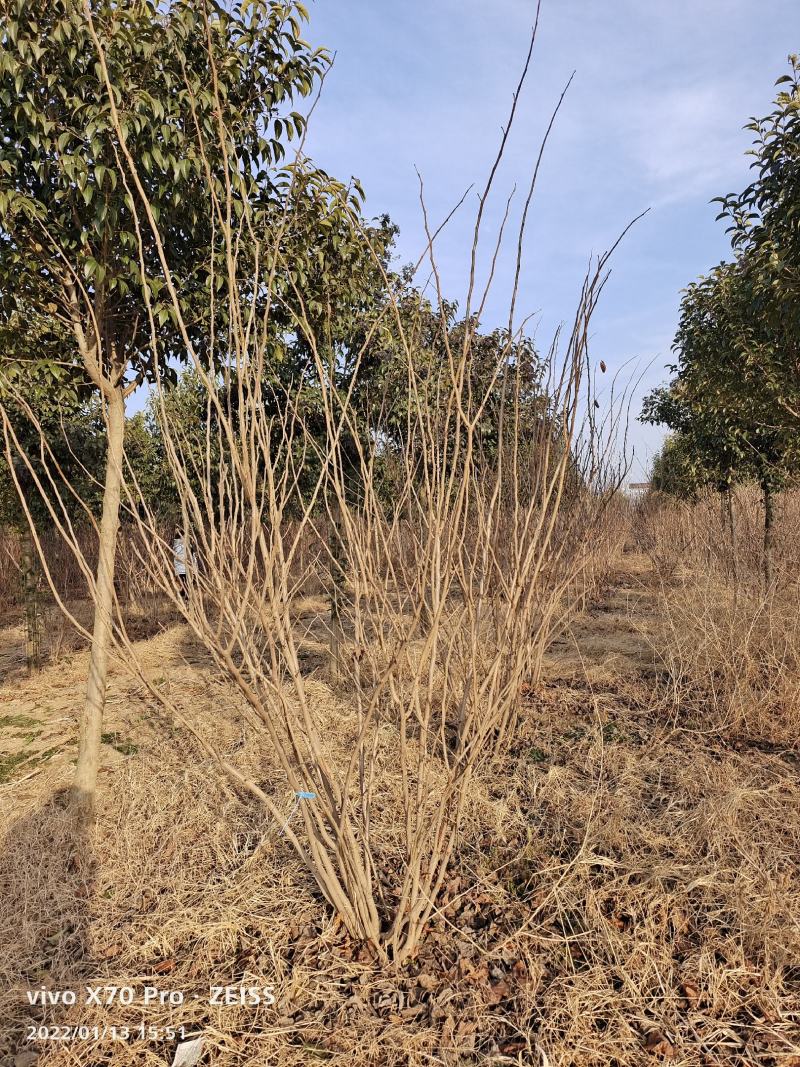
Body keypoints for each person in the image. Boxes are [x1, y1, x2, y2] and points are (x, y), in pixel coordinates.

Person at [172, 526, 189, 598]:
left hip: (184, 567)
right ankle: (185, 596)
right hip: (181, 568)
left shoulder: (183, 544)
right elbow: (178, 556)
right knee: (185, 583)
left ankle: (183, 594)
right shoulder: (178, 545)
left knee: (186, 583)